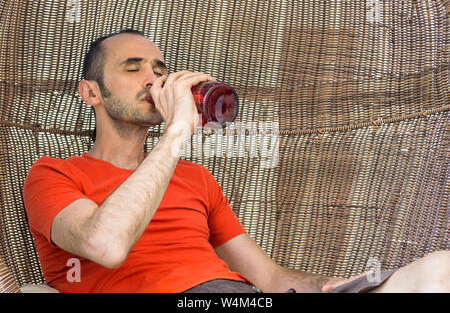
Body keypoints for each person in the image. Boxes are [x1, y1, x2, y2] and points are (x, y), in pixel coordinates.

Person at [23, 29, 449, 293]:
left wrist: (323, 286)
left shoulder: (195, 178)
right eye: (133, 69)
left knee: (439, 272)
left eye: (159, 68)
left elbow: (267, 278)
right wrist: (177, 133)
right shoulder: (54, 174)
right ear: (91, 92)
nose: (154, 79)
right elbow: (105, 245)